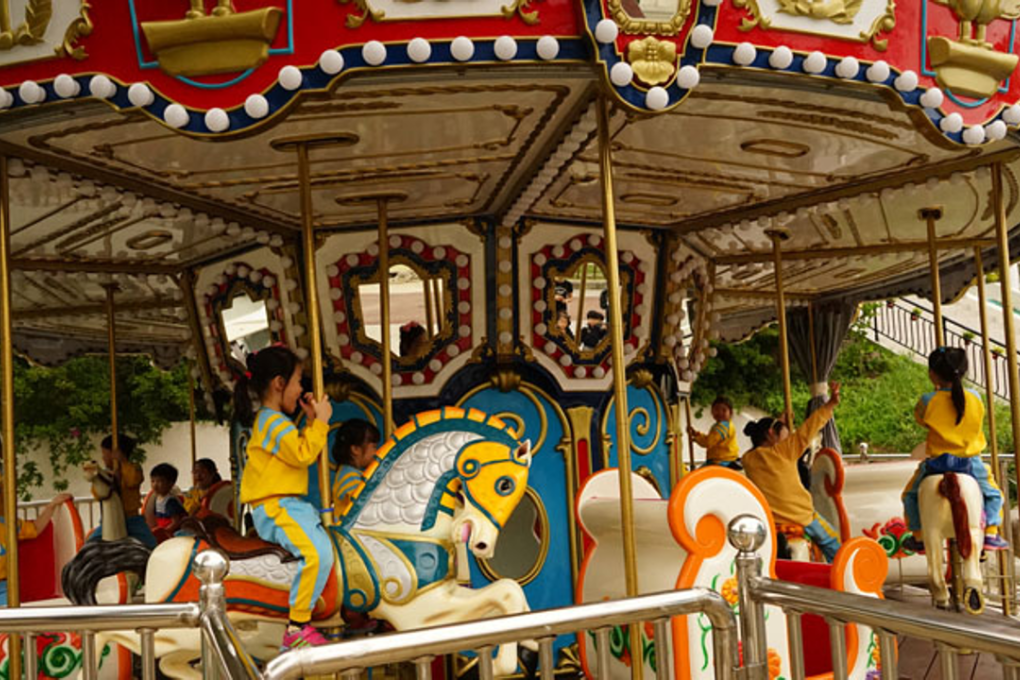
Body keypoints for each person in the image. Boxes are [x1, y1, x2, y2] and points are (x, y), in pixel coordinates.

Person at [236, 345, 334, 650]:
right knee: (318, 554)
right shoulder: (271, 421)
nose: (302, 389)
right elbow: (303, 454)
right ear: (279, 383)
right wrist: (322, 421)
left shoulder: (274, 422)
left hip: (287, 504)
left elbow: (294, 450)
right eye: (298, 381)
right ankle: (297, 627)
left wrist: (308, 423)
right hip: (277, 506)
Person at [901, 347, 1006, 554]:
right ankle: (992, 532)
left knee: (910, 495)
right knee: (993, 494)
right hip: (970, 462)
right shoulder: (975, 398)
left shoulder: (927, 400)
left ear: (932, 374)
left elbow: (921, 419)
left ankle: (919, 536)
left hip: (936, 464)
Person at [742, 383, 842, 562]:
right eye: (784, 433)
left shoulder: (748, 459)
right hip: (800, 516)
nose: (788, 436)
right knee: (833, 542)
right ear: (772, 433)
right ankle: (841, 576)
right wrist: (830, 405)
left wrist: (781, 421)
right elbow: (808, 429)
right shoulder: (783, 451)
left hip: (771, 520)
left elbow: (774, 439)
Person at [331, 418, 383, 636]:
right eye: (372, 446)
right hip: (350, 543)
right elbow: (361, 499)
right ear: (355, 449)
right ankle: (359, 612)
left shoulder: (354, 475)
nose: (377, 451)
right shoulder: (348, 477)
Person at [0, 492, 73, 605]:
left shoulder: (6, 524)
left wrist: (52, 505)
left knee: (9, 614)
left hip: (3, 586)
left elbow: (35, 528)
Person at [86, 434, 157, 549]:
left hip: (131, 519)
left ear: (116, 454)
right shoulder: (105, 473)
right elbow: (97, 494)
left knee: (151, 545)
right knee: (90, 544)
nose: (103, 457)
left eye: (105, 454)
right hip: (108, 520)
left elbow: (134, 480)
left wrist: (122, 463)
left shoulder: (133, 468)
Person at [331, 419, 381, 521]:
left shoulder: (351, 473)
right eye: (374, 447)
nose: (377, 452)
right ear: (355, 450)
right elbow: (363, 503)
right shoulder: (350, 476)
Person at [688, 396, 741, 470]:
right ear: (712, 411)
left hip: (720, 461)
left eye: (724, 410)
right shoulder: (727, 425)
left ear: (730, 412)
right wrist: (697, 434)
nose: (720, 413)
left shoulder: (721, 427)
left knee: (699, 476)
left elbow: (708, 442)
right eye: (716, 409)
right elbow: (712, 439)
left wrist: (697, 439)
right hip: (728, 458)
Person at [144, 464, 187, 542]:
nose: (155, 485)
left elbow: (176, 522)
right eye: (153, 481)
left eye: (160, 481)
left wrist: (164, 531)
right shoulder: (157, 498)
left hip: (171, 532)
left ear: (170, 483)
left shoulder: (170, 501)